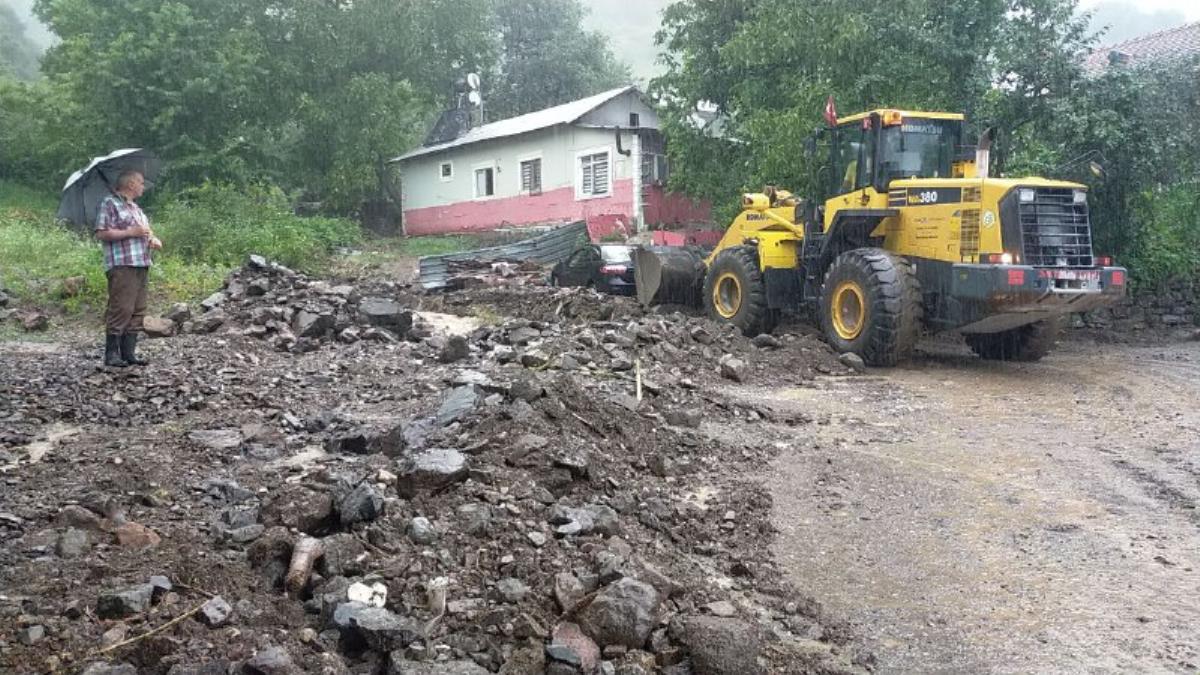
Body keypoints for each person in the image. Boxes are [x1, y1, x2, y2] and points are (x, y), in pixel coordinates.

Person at [94, 170, 162, 367]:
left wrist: (153, 239)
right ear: (131, 184)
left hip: (142, 262)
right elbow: (101, 233)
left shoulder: (136, 209)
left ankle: (128, 353)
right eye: (141, 182)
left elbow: (146, 232)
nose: (143, 186)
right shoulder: (109, 203)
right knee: (121, 307)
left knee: (138, 309)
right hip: (122, 264)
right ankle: (112, 354)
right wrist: (130, 232)